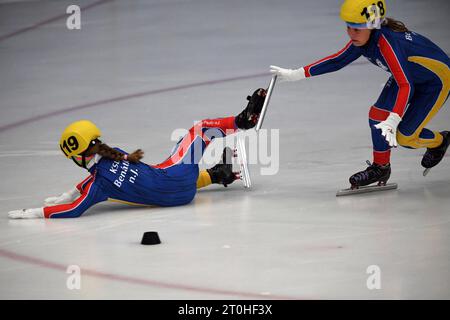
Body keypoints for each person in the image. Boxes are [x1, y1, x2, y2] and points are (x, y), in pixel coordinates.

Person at [270, 0, 450, 188]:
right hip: (409, 77)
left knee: (405, 138)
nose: (351, 34)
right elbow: (337, 61)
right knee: (378, 115)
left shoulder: (387, 44)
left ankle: (440, 141)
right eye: (349, 27)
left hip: (435, 82)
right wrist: (296, 74)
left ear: (372, 26)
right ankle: (381, 167)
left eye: (356, 29)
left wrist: (394, 118)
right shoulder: (366, 38)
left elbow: (406, 85)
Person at [8, 88, 267, 219]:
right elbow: (86, 186)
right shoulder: (115, 155)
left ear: (77, 157)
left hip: (180, 197)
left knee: (159, 176)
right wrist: (66, 194)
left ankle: (215, 174)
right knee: (198, 131)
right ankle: (242, 121)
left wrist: (37, 212)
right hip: (177, 178)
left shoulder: (98, 186)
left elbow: (75, 208)